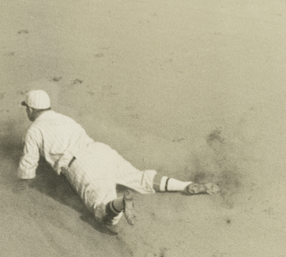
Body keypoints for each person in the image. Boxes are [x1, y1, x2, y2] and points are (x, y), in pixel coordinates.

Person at [17, 89, 219, 229]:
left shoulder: (34, 130)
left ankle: (122, 202)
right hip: (100, 151)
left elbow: (28, 167)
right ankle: (185, 186)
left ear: (30, 109)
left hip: (81, 166)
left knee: (103, 216)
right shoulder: (64, 118)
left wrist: (19, 189)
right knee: (140, 178)